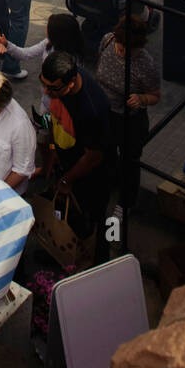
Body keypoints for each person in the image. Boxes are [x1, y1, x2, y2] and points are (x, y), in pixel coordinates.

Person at [39, 50, 114, 258]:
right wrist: (53, 151)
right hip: (69, 165)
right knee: (67, 214)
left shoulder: (91, 109)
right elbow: (56, 121)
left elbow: (93, 157)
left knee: (91, 220)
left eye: (52, 88)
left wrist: (66, 180)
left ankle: (95, 263)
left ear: (71, 83)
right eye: (43, 83)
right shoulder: (65, 82)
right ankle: (61, 251)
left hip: (92, 177)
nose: (46, 91)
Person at [95, 15, 161, 212]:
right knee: (106, 154)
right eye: (121, 48)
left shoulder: (145, 64)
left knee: (129, 162)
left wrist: (141, 99)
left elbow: (155, 95)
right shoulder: (107, 41)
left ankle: (126, 202)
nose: (123, 54)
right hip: (106, 113)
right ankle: (109, 185)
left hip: (129, 121)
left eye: (130, 51)